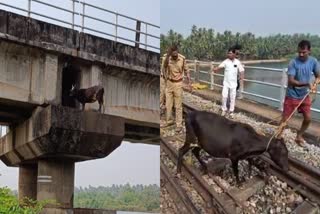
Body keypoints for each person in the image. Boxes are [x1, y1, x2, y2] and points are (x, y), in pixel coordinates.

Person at [278, 40, 320, 147]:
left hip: (304, 95)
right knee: (285, 119)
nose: (301, 54)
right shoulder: (293, 62)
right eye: (299, 52)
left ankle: (299, 135)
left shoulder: (314, 61)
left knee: (308, 118)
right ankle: (278, 137)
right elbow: (291, 81)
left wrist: (316, 82)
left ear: (309, 51)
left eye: (304, 52)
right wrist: (307, 83)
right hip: (292, 95)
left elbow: (318, 75)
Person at [161, 45, 191, 133]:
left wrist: (189, 83)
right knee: (168, 105)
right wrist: (166, 80)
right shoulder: (166, 59)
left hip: (178, 83)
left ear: (178, 52)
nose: (175, 56)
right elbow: (163, 69)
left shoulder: (182, 59)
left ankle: (179, 124)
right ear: (171, 53)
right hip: (169, 83)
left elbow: (186, 70)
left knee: (178, 106)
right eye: (173, 54)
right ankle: (169, 121)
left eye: (176, 54)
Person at [213, 47, 244, 118]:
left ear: (234, 54)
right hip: (226, 83)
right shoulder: (225, 61)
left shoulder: (237, 62)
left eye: (230, 53)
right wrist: (215, 69)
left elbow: (241, 70)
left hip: (234, 84)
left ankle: (231, 111)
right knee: (224, 96)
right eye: (228, 53)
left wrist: (241, 77)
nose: (228, 54)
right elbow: (219, 67)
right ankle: (224, 109)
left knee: (232, 97)